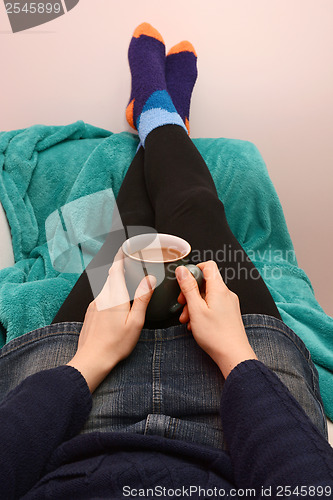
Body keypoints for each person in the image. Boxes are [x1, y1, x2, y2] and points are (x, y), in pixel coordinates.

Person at [0, 23, 332, 499]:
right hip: (245, 405)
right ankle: (161, 118)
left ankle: (155, 117)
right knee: (195, 207)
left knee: (129, 226)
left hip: (63, 410)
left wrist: (86, 363)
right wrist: (237, 354)